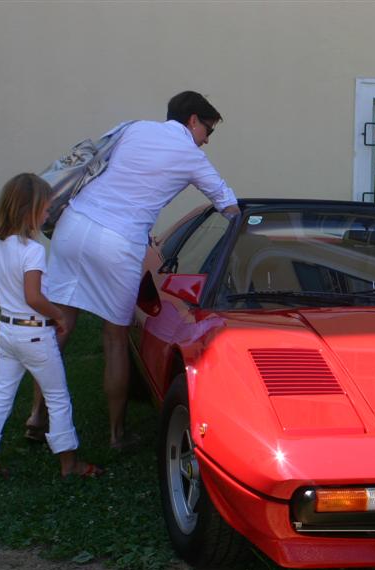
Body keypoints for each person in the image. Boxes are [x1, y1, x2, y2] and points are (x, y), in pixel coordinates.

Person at [27, 91, 241, 449]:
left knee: (60, 325)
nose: (206, 141)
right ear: (192, 120)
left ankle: (36, 415)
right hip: (119, 242)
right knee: (114, 339)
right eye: (208, 130)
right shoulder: (190, 155)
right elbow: (228, 204)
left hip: (73, 226)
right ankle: (116, 434)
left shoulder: (133, 128)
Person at [0, 173, 102, 478]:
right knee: (57, 397)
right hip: (34, 335)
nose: (48, 214)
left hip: (7, 331)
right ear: (29, 210)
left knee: (0, 393)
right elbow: (33, 296)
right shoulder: (32, 251)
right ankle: (70, 464)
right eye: (46, 208)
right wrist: (57, 315)